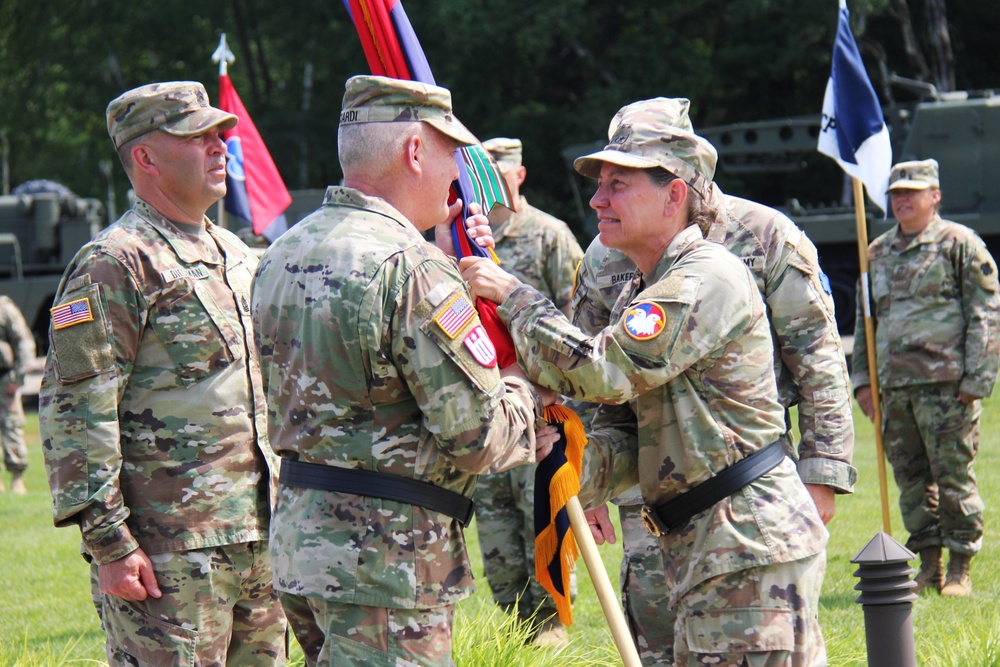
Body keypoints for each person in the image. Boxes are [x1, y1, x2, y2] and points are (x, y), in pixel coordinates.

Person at [461, 99, 828, 665]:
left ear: (674, 194)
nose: (597, 199)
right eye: (599, 183)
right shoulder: (645, 282)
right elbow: (646, 434)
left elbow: (604, 370)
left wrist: (512, 299)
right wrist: (571, 462)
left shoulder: (705, 277)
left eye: (618, 184)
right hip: (706, 546)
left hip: (745, 549)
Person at [251, 75, 557, 667]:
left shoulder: (282, 252)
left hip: (301, 545)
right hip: (388, 562)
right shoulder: (412, 270)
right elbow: (475, 437)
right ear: (415, 152)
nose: (460, 175)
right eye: (453, 154)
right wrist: (524, 387)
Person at [570, 98, 855, 663]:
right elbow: (587, 361)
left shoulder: (766, 235)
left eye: (622, 178)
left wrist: (823, 473)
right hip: (644, 480)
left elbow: (817, 356)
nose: (603, 197)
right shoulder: (607, 252)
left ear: (677, 181)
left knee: (745, 632)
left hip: (738, 481)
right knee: (658, 637)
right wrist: (582, 481)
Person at [38, 81, 287, 665]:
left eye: (218, 134)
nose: (219, 146)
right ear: (145, 158)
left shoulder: (236, 253)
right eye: (196, 137)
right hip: (169, 554)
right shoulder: (113, 263)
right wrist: (109, 543)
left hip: (259, 539)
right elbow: (76, 408)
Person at [853, 158, 1000, 597]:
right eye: (896, 194)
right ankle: (928, 566)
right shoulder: (876, 252)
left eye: (912, 192)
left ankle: (959, 567)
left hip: (947, 388)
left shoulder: (960, 245)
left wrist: (978, 378)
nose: (902, 200)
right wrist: (863, 379)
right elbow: (867, 322)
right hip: (895, 390)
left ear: (934, 196)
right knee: (912, 483)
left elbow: (986, 315)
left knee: (953, 477)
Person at [472, 136, 583, 645]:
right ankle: (517, 628)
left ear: (519, 175)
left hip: (539, 413)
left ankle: (551, 626)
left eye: (504, 173)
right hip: (486, 411)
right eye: (485, 173)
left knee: (539, 513)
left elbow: (575, 322)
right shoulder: (465, 241)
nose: (496, 182)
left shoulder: (549, 236)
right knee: (495, 530)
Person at [0, 295, 35, 495]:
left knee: (11, 427)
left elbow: (24, 342)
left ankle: (17, 480)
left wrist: (18, 377)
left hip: (5, 379)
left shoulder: (4, 309)